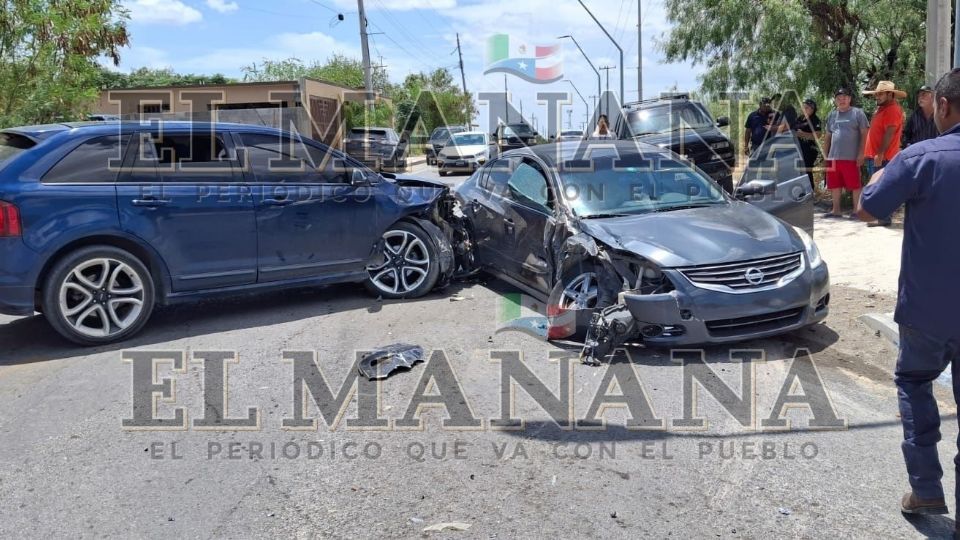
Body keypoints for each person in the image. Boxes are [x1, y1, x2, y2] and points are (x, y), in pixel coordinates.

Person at [857, 68, 960, 532]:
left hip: (928, 310)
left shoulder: (922, 156)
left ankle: (926, 490)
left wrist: (881, 175)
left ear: (942, 105)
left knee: (915, 382)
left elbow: (868, 206)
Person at [862, 80, 906, 227]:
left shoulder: (893, 109)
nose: (877, 96)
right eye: (876, 94)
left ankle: (884, 217)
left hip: (884, 157)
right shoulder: (882, 109)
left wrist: (880, 153)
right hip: (876, 156)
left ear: (890, 94)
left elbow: (890, 133)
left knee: (881, 187)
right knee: (877, 187)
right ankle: (880, 217)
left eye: (880, 94)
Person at [822, 88, 869, 218]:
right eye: (839, 98)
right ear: (835, 100)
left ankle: (856, 211)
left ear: (849, 99)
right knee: (834, 184)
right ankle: (836, 210)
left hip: (851, 157)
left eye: (844, 97)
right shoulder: (832, 115)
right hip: (833, 157)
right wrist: (825, 155)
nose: (842, 100)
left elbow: (864, 133)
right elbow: (827, 137)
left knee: (855, 185)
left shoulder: (857, 113)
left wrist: (861, 153)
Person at [794, 98, 822, 189]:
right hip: (798, 149)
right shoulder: (800, 118)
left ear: (812, 109)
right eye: (803, 106)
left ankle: (810, 192)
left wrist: (802, 134)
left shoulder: (815, 119)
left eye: (807, 107)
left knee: (806, 170)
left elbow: (817, 135)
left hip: (809, 150)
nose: (804, 108)